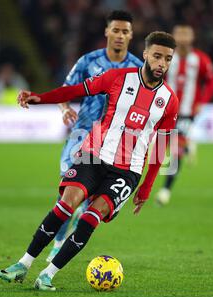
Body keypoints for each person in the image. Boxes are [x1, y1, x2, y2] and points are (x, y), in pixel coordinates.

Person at [0, 31, 178, 291]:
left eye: (168, 59)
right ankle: (23, 264)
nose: (162, 63)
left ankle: (48, 274)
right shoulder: (119, 78)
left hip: (127, 172)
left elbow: (161, 148)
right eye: (157, 56)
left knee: (90, 217)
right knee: (66, 205)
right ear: (146, 55)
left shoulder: (169, 101)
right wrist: (41, 98)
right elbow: (77, 90)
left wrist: (147, 188)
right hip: (94, 155)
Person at [48, 10, 143, 262]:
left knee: (95, 198)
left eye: (125, 31)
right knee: (66, 194)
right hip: (82, 135)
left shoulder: (138, 68)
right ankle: (57, 243)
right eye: (116, 30)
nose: (120, 35)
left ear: (131, 35)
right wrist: (64, 107)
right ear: (107, 32)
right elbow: (66, 89)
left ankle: (66, 239)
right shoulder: (88, 61)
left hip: (113, 143)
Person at [156, 24, 213, 206]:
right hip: (164, 111)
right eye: (179, 34)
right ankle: (189, 143)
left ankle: (165, 190)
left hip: (186, 112)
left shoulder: (201, 59)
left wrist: (202, 102)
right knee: (160, 147)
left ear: (192, 37)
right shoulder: (165, 57)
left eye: (186, 34)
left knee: (176, 149)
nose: (182, 37)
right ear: (173, 36)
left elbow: (212, 81)